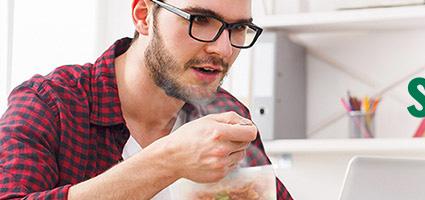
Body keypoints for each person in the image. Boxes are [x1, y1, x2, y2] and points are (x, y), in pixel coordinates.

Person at [0, 0, 293, 199]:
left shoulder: (226, 112)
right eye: (201, 20)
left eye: (238, 28)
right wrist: (168, 161)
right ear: (143, 16)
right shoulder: (50, 103)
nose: (224, 49)